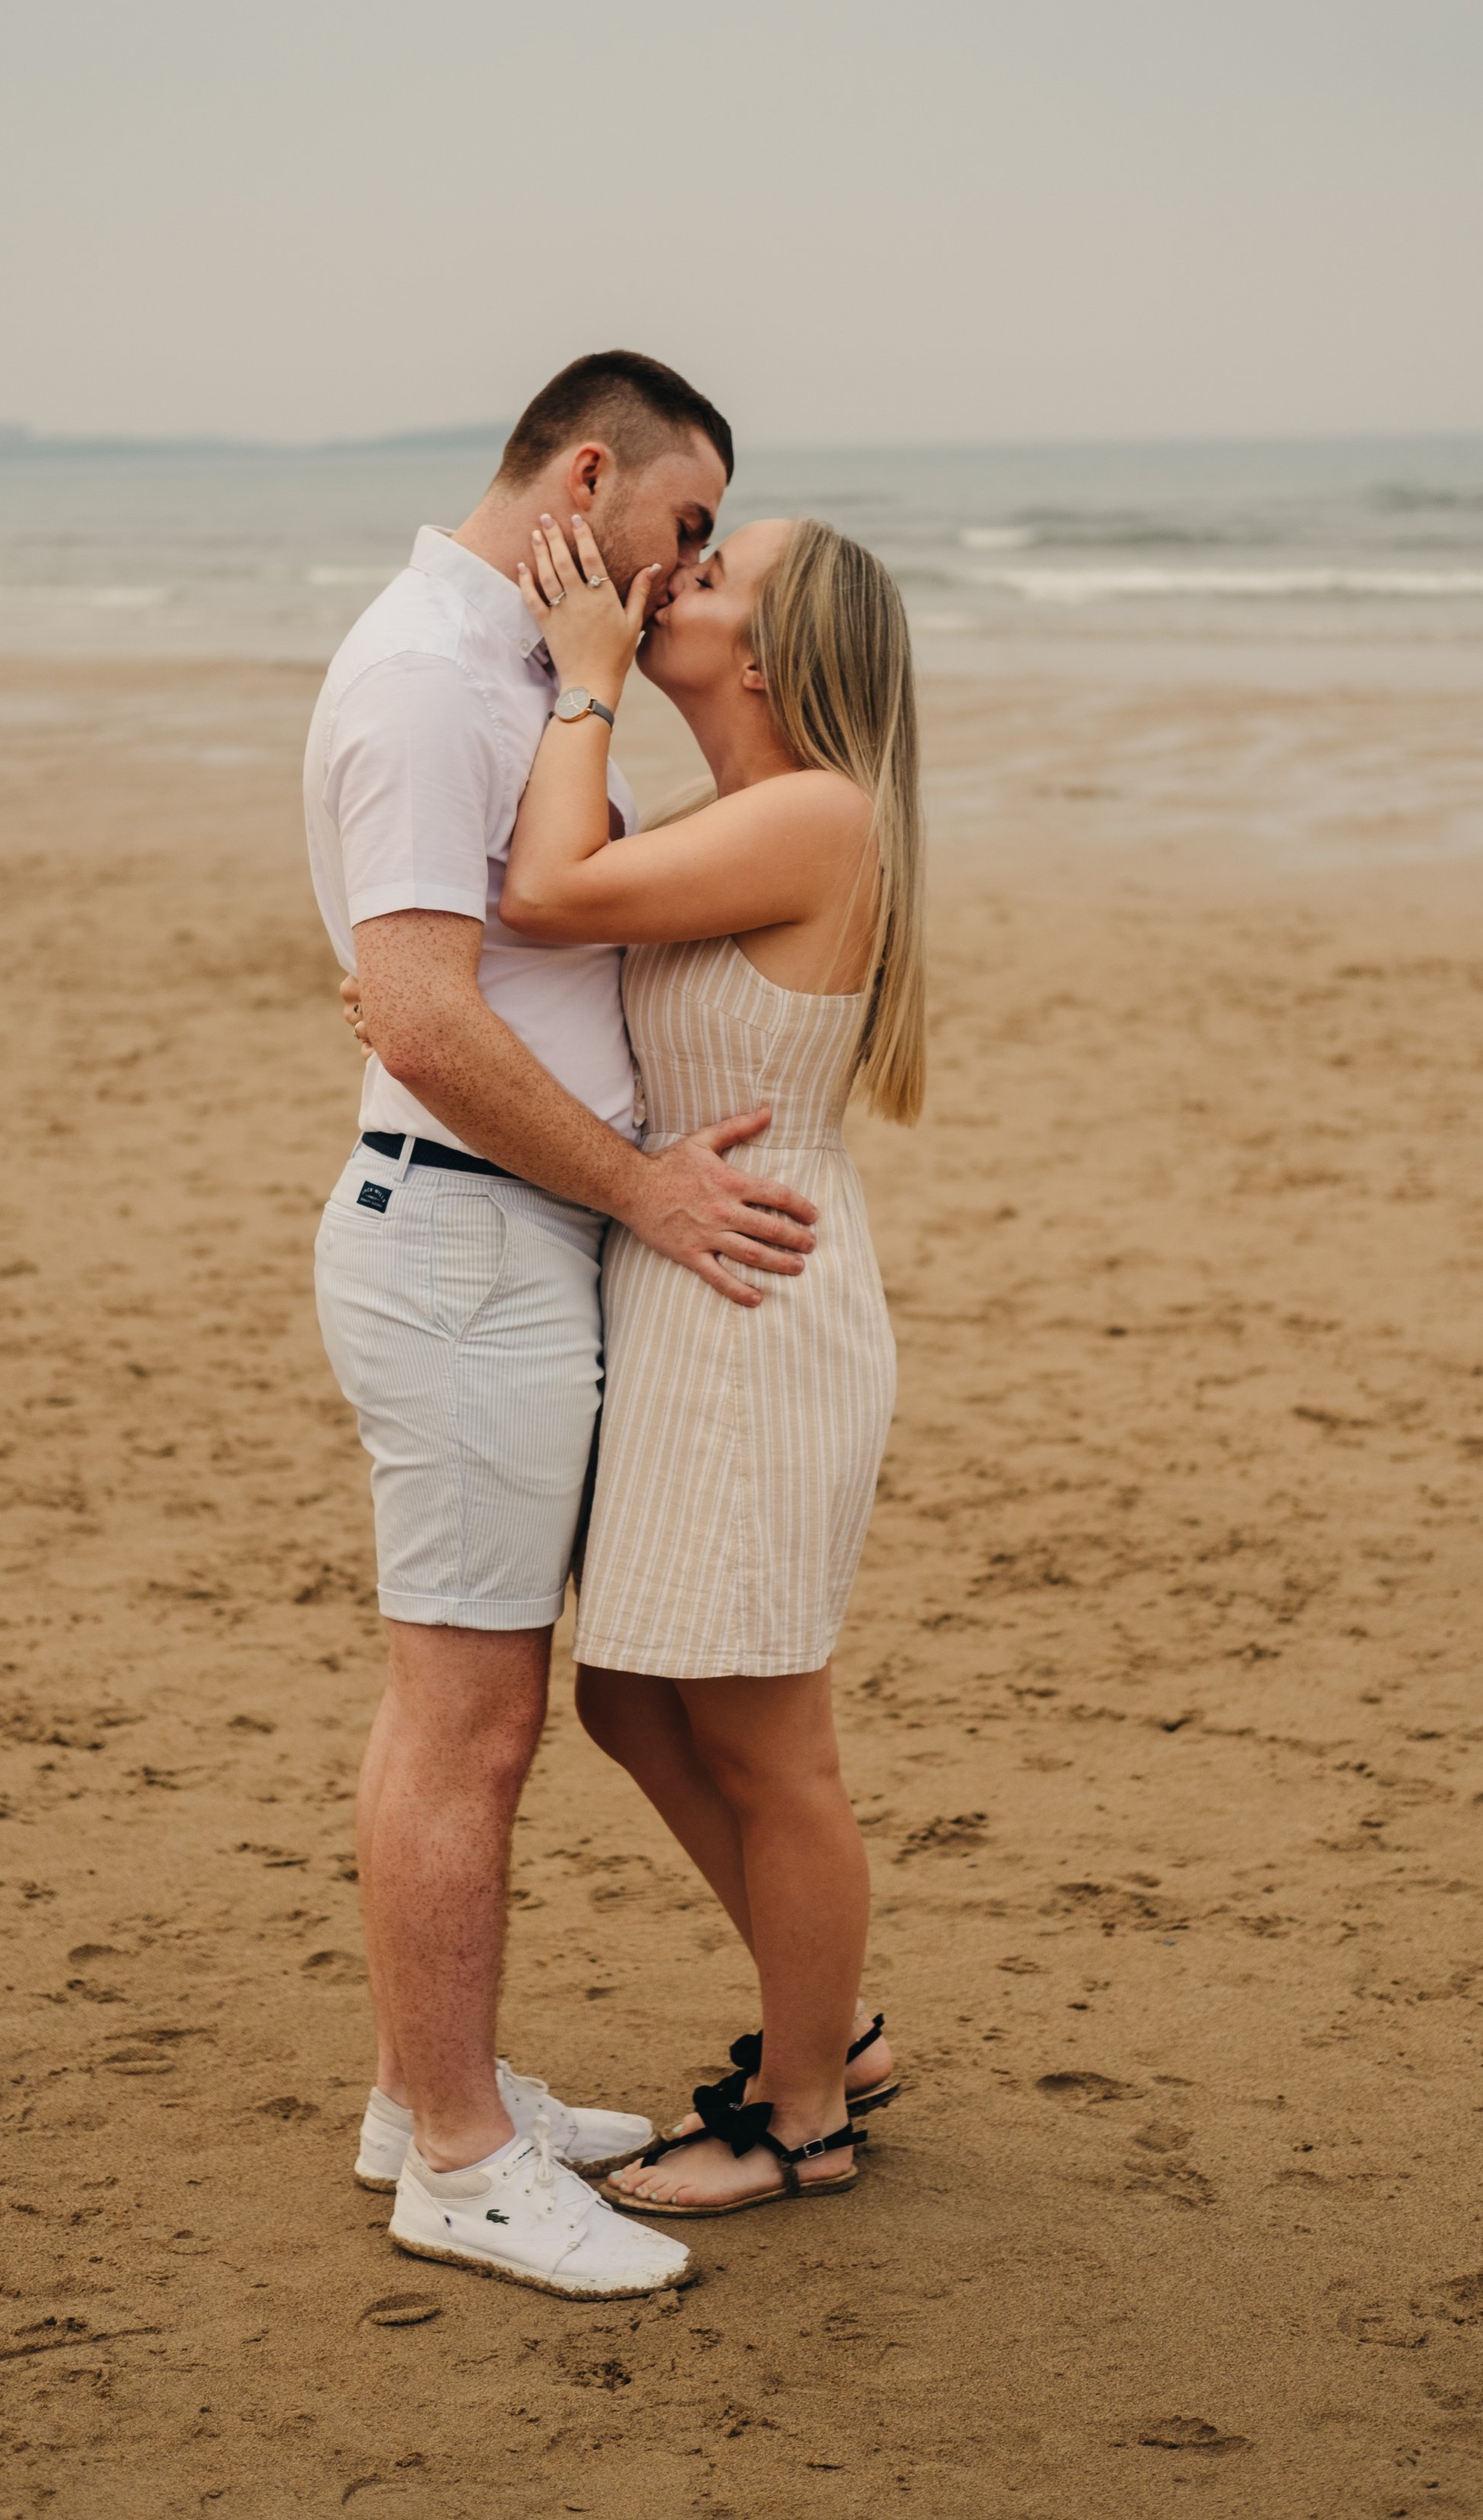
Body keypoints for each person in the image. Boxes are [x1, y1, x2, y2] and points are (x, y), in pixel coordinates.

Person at [303, 352, 822, 2300]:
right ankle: (453, 2156)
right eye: (684, 522)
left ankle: (417, 2095)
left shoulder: (510, 657)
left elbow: (499, 968)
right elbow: (426, 1017)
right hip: (466, 1248)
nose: (686, 563)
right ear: (589, 474)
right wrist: (649, 1188)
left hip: (502, 1235)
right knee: (471, 1719)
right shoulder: (438, 679)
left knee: (477, 1708)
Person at [498, 505, 923, 2216]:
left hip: (755, 1300)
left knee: (772, 1747)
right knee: (626, 1695)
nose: (673, 578)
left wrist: (585, 675)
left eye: (712, 573)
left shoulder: (815, 817)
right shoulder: (743, 817)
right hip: (694, 1281)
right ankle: (831, 2026)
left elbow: (539, 891)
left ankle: (806, 2111)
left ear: (764, 654)